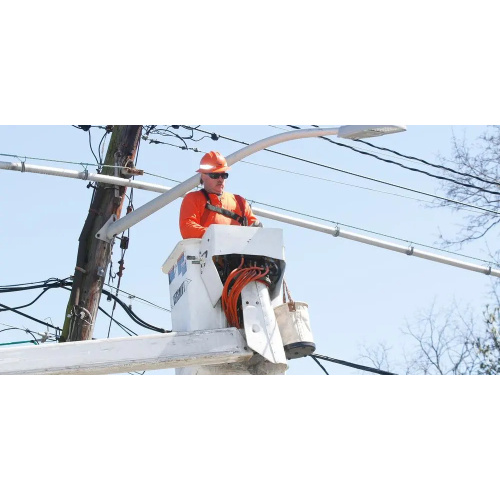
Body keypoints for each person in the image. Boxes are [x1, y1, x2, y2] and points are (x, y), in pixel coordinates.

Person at [179, 151, 262, 239]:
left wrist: (256, 227)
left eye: (223, 175)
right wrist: (217, 235)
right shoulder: (193, 199)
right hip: (207, 251)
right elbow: (187, 229)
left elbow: (255, 230)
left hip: (237, 251)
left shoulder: (240, 202)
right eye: (215, 175)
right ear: (203, 176)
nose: (220, 179)